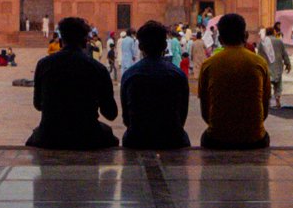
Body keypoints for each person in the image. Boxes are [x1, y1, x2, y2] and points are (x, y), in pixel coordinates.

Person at [26, 14, 119, 149]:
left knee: (36, 135)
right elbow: (110, 114)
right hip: (87, 134)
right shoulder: (98, 68)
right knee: (108, 135)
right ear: (85, 40)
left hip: (50, 135)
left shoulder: (44, 65)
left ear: (61, 40)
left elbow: (38, 105)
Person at [197, 12, 272, 149]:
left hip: (217, 138)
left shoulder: (209, 64)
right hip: (254, 138)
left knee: (205, 137)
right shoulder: (259, 63)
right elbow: (265, 106)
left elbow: (205, 111)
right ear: (245, 36)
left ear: (219, 38)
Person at [120, 19, 191, 149]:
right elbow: (182, 115)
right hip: (172, 138)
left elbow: (126, 118)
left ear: (140, 46)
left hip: (137, 139)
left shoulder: (130, 75)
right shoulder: (177, 74)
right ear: (165, 46)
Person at [259, 26, 288, 108]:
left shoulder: (262, 42)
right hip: (277, 65)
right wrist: (287, 64)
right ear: (273, 32)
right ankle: (277, 100)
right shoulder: (279, 41)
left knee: (267, 85)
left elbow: (259, 55)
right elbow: (284, 54)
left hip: (266, 66)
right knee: (278, 84)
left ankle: (267, 101)